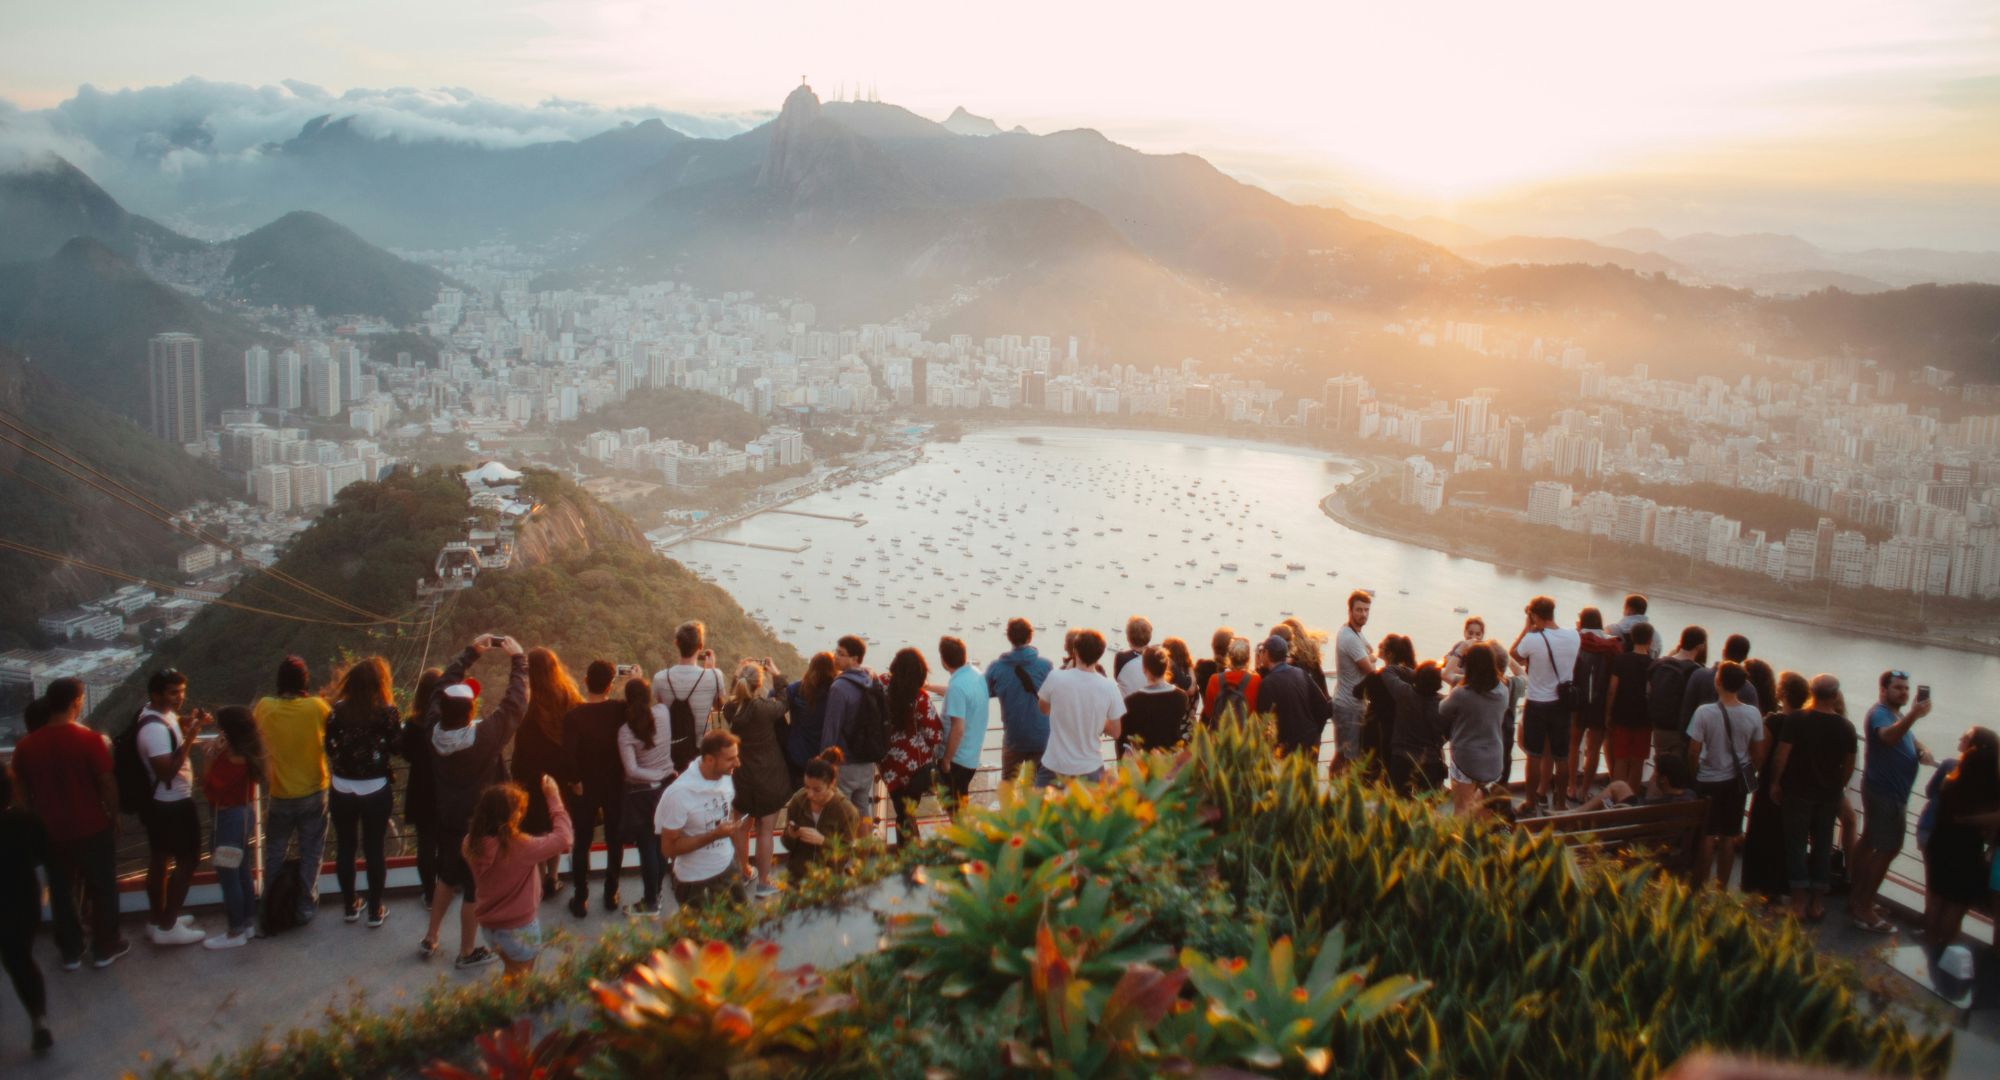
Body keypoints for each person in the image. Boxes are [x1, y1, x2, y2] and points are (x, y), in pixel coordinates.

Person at [419, 633, 530, 969]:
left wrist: (470, 653)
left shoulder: (432, 730)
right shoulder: (484, 737)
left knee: (446, 875)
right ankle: (467, 952)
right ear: (471, 711)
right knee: (471, 888)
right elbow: (515, 704)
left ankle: (431, 936)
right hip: (480, 823)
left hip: (448, 818)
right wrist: (519, 660)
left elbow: (438, 689)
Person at [9, 678, 126, 968]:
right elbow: (107, 783)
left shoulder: (26, 746)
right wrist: (114, 815)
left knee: (61, 891)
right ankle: (105, 947)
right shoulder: (90, 740)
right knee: (102, 888)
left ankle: (71, 951)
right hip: (91, 826)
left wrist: (32, 819)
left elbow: (19, 791)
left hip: (49, 831)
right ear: (76, 702)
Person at [1849, 670, 1936, 933]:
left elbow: (1908, 737)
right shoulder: (1880, 713)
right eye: (1898, 688)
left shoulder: (1895, 714)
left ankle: (1856, 896)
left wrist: (1923, 750)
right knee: (1889, 849)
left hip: (1887, 791)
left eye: (1906, 689)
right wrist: (1914, 715)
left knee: (1870, 841)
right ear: (1883, 690)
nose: (1904, 693)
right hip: (1885, 794)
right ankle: (1864, 908)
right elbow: (1887, 737)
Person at [465, 776, 573, 981]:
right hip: (518, 928)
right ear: (510, 816)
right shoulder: (521, 847)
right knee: (523, 979)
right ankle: (504, 1002)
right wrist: (554, 797)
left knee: (512, 973)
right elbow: (564, 838)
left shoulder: (470, 843)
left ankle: (503, 999)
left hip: (489, 926)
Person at [1767, 673, 1856, 921]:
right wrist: (1838, 786)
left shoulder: (1796, 719)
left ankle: (1797, 904)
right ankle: (1817, 904)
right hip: (1828, 795)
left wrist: (1775, 782)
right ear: (1835, 695)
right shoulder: (1846, 727)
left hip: (1797, 792)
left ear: (1811, 693)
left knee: (1796, 846)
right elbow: (1849, 764)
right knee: (1823, 847)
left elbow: (1781, 755)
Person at [325, 657, 403, 928]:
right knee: (374, 849)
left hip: (342, 786)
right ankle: (375, 909)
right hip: (375, 787)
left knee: (345, 847)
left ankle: (350, 905)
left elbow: (330, 746)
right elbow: (397, 747)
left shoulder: (337, 711)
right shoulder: (387, 712)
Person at [255, 655, 332, 928]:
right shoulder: (317, 707)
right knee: (312, 852)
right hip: (314, 791)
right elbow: (332, 730)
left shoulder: (265, 707)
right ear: (304, 681)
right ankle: (304, 908)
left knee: (274, 853)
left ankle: (270, 906)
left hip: (280, 794)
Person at [136, 668, 209, 945]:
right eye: (173, 693)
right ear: (156, 695)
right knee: (188, 859)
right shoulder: (154, 730)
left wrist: (187, 721)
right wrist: (192, 734)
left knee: (161, 858)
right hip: (172, 802)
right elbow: (166, 772)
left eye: (182, 691)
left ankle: (158, 920)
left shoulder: (155, 714)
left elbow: (171, 723)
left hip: (162, 802)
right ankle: (168, 926)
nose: (180, 697)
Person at [1685, 661, 1765, 890]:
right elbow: (1758, 753)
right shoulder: (1753, 713)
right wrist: (1748, 771)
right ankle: (1722, 890)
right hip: (1736, 783)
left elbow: (1693, 751)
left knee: (1707, 834)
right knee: (1729, 835)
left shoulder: (1704, 712)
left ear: (1718, 681)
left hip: (1708, 779)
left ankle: (1700, 887)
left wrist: (1694, 774)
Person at [1919, 728, 2000, 953]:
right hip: (1967, 849)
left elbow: (1935, 799)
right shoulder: (1992, 789)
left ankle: (1928, 943)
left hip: (1940, 842)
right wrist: (1972, 822)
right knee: (1956, 902)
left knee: (1936, 898)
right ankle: (1943, 948)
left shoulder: (1950, 781)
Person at [561, 660, 629, 918]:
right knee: (614, 840)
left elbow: (568, 755)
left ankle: (581, 898)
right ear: (610, 685)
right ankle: (611, 892)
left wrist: (575, 781)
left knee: (582, 842)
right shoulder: (619, 710)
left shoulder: (573, 716)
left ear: (586, 681)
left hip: (584, 786)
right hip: (615, 783)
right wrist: (633, 679)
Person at [657, 730, 752, 908]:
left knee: (742, 923)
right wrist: (713, 835)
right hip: (695, 882)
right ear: (709, 760)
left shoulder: (725, 777)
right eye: (730, 759)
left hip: (728, 868)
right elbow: (668, 849)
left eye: (737, 757)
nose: (738, 763)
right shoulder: (678, 794)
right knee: (705, 928)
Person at [517, 647, 581, 899]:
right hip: (560, 777)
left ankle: (541, 877)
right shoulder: (568, 697)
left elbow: (521, 750)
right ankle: (553, 878)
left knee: (536, 829)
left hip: (532, 777)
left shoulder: (527, 705)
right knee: (556, 824)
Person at [724, 659, 792, 895]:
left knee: (741, 827)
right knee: (765, 830)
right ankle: (764, 882)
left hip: (742, 775)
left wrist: (739, 674)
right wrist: (777, 674)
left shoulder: (730, 709)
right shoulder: (765, 709)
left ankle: (744, 871)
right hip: (769, 775)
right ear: (759, 684)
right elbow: (785, 701)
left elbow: (736, 695)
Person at [201, 706, 266, 949]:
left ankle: (235, 931)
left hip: (228, 819)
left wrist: (209, 758)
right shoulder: (247, 754)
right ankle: (248, 923)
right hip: (244, 815)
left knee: (229, 877)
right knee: (242, 872)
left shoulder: (230, 760)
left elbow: (209, 788)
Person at [0, 768, 55, 1055]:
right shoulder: (26, 820)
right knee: (21, 959)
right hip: (24, 899)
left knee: (15, 960)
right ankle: (39, 1019)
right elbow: (46, 857)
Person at [1509, 595, 1580, 814]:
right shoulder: (1573, 636)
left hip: (1537, 704)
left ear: (1533, 615)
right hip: (1562, 704)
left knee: (1534, 755)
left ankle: (1530, 803)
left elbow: (1514, 656)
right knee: (1561, 757)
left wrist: (1527, 627)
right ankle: (1560, 803)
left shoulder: (1532, 639)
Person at [1035, 629, 1125, 786]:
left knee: (1039, 802)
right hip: (1090, 767)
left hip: (1054, 765)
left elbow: (1043, 708)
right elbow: (1116, 732)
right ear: (1100, 655)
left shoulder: (1056, 677)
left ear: (1075, 651)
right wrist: (1097, 720)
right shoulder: (1109, 687)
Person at [617, 677, 675, 916]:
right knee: (660, 842)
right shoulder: (663, 713)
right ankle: (657, 893)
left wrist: (654, 775)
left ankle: (650, 902)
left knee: (647, 846)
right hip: (667, 788)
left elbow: (631, 770)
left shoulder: (625, 731)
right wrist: (662, 773)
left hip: (643, 794)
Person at [1735, 659, 1790, 900]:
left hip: (1742, 765)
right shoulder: (1771, 708)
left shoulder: (1745, 702)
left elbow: (1757, 754)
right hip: (1764, 774)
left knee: (1739, 813)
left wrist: (1747, 780)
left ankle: (1734, 838)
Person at [878, 648, 943, 850]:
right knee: (907, 811)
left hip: (887, 760)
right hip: (914, 765)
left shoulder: (881, 685)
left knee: (902, 809)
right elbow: (935, 734)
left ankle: (908, 850)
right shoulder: (920, 698)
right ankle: (909, 853)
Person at [1441, 643, 1508, 817]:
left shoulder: (1461, 693)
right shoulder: (1503, 691)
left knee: (1461, 807)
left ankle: (1461, 832)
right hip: (1493, 760)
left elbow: (1442, 709)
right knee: (1479, 803)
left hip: (1467, 760)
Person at [653, 621, 726, 773]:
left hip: (669, 756)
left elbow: (660, 712)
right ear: (701, 646)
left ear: (676, 643)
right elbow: (718, 715)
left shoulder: (660, 678)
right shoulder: (715, 676)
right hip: (701, 756)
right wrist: (711, 671)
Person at [1564, 607, 1620, 805]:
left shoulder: (1576, 640)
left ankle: (1571, 786)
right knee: (1594, 749)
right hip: (1600, 703)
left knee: (1573, 745)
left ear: (1582, 621)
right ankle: (1584, 791)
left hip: (1577, 701)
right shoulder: (1612, 645)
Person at [987, 618, 1054, 783]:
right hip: (1041, 736)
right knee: (1036, 788)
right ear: (1030, 637)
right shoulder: (1046, 666)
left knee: (1008, 785)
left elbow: (984, 691)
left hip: (1014, 737)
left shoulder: (997, 667)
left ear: (1009, 637)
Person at [823, 635, 881, 820]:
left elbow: (832, 727)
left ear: (855, 658)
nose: (835, 656)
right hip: (867, 760)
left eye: (841, 654)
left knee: (841, 814)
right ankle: (866, 840)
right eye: (836, 652)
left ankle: (845, 842)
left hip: (845, 761)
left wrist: (825, 761)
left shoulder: (839, 687)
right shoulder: (870, 680)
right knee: (863, 810)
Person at [782, 748, 866, 877]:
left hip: (828, 880)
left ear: (832, 784)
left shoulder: (847, 811)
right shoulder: (798, 801)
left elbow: (845, 854)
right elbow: (786, 844)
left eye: (817, 790)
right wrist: (791, 835)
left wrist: (823, 841)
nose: (809, 794)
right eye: (806, 787)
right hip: (797, 877)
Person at [402, 668, 445, 907]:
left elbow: (406, 753)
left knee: (425, 843)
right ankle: (447, 887)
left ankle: (430, 894)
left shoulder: (412, 725)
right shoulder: (447, 723)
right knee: (447, 841)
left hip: (420, 789)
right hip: (445, 788)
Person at [1331, 591, 1381, 775]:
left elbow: (1370, 652)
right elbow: (1370, 671)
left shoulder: (1353, 632)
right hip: (1349, 706)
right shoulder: (1350, 638)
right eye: (1359, 610)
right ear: (1350, 610)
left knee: (1345, 755)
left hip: (1351, 704)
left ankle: (1336, 788)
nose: (1363, 614)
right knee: (1347, 757)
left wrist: (1369, 656)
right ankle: (1338, 789)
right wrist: (1371, 657)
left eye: (1366, 610)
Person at [938, 636, 988, 814]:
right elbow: (958, 695)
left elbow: (957, 729)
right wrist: (928, 687)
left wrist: (946, 760)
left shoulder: (957, 687)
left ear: (944, 661)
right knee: (959, 808)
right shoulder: (976, 675)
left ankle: (963, 834)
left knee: (955, 811)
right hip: (971, 755)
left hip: (956, 759)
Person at [1263, 634, 1334, 761]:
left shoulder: (1267, 683)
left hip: (1285, 749)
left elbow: (1264, 721)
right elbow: (1323, 707)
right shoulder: (1300, 674)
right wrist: (1315, 732)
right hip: (1308, 742)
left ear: (1266, 654)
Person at [1603, 623, 1655, 792]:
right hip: (1644, 717)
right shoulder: (1653, 664)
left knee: (1621, 758)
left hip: (1621, 715)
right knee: (1638, 760)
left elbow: (1612, 690)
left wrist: (1608, 713)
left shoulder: (1621, 660)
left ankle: (1618, 796)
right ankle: (1631, 797)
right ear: (1650, 640)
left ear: (1632, 638)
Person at [1387, 661, 1448, 795]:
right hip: (1429, 760)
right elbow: (1449, 732)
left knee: (1399, 798)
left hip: (1401, 756)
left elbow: (1388, 671)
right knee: (1427, 801)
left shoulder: (1404, 693)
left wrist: (1416, 672)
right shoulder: (1443, 705)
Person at [1119, 646, 1190, 757]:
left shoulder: (1132, 701)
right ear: (1166, 667)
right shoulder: (1181, 697)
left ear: (1144, 669)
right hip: (1172, 759)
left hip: (1145, 760)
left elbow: (1126, 736)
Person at [1683, 635, 1760, 735]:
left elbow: (1686, 712)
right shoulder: (1749, 689)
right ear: (1745, 658)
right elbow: (1752, 727)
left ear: (1723, 652)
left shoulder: (1699, 675)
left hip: (1696, 740)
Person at [1648, 627, 1706, 761]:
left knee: (1660, 765)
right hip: (1681, 731)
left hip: (1659, 726)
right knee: (1677, 768)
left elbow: (1649, 692)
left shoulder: (1659, 663)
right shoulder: (1696, 671)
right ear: (1700, 646)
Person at [1571, 752, 1697, 812]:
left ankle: (1574, 815)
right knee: (1619, 786)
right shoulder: (1690, 796)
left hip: (1631, 823)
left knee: (1607, 802)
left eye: (1655, 772)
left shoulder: (1656, 807)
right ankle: (1574, 813)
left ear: (1664, 779)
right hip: (1641, 817)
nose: (1653, 777)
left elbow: (1634, 813)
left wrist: (1610, 806)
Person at [783, 651, 838, 785]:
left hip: (797, 753)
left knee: (799, 790)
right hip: (824, 754)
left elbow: (775, 698)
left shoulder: (798, 688)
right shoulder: (836, 690)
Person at [1204, 637, 1261, 726]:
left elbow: (1209, 712)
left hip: (1221, 732)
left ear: (1229, 657)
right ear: (1248, 658)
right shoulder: (1256, 680)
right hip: (1247, 732)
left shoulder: (1214, 679)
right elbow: (1257, 712)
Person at [1192, 627, 1234, 726]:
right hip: (1230, 723)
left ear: (1212, 645)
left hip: (1207, 721)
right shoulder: (1234, 672)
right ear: (1231, 649)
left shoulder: (1202, 667)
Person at [1441, 616, 1486, 686]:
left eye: (1478, 634)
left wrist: (1452, 664)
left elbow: (1468, 673)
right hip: (1455, 686)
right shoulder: (1460, 645)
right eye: (1470, 633)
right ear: (1465, 632)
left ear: (1482, 635)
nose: (1473, 637)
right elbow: (1444, 660)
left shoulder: (1484, 652)